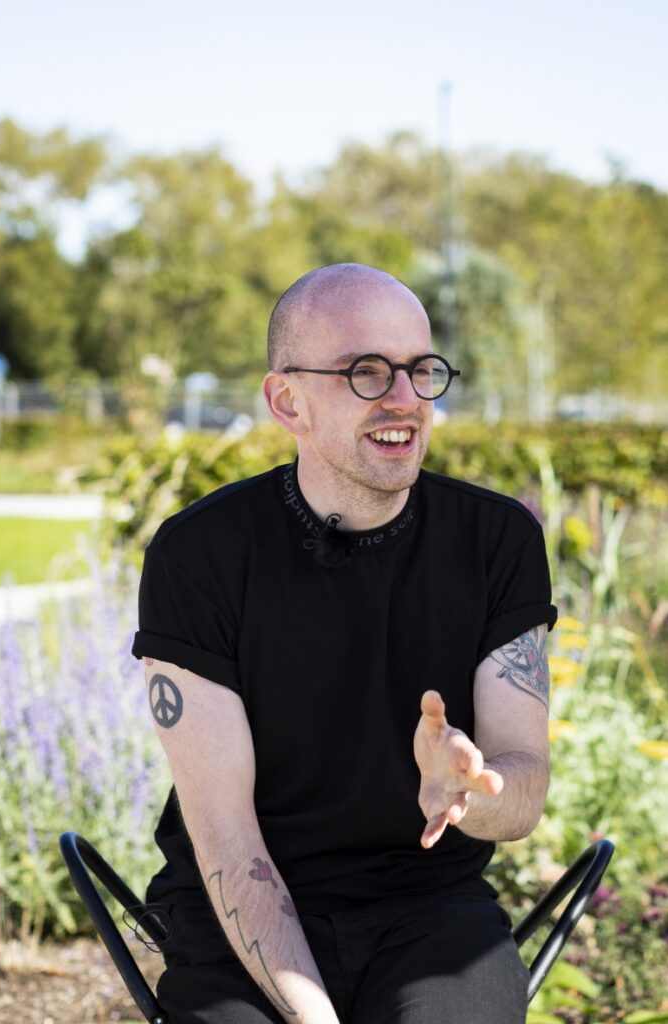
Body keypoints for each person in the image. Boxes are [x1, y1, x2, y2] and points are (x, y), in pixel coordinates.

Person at [132, 263, 558, 1024]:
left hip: (430, 909)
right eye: (366, 372)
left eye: (421, 370)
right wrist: (312, 1015)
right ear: (286, 400)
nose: (405, 399)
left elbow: (520, 791)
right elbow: (227, 837)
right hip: (239, 912)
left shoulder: (497, 540)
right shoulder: (199, 553)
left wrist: (467, 793)